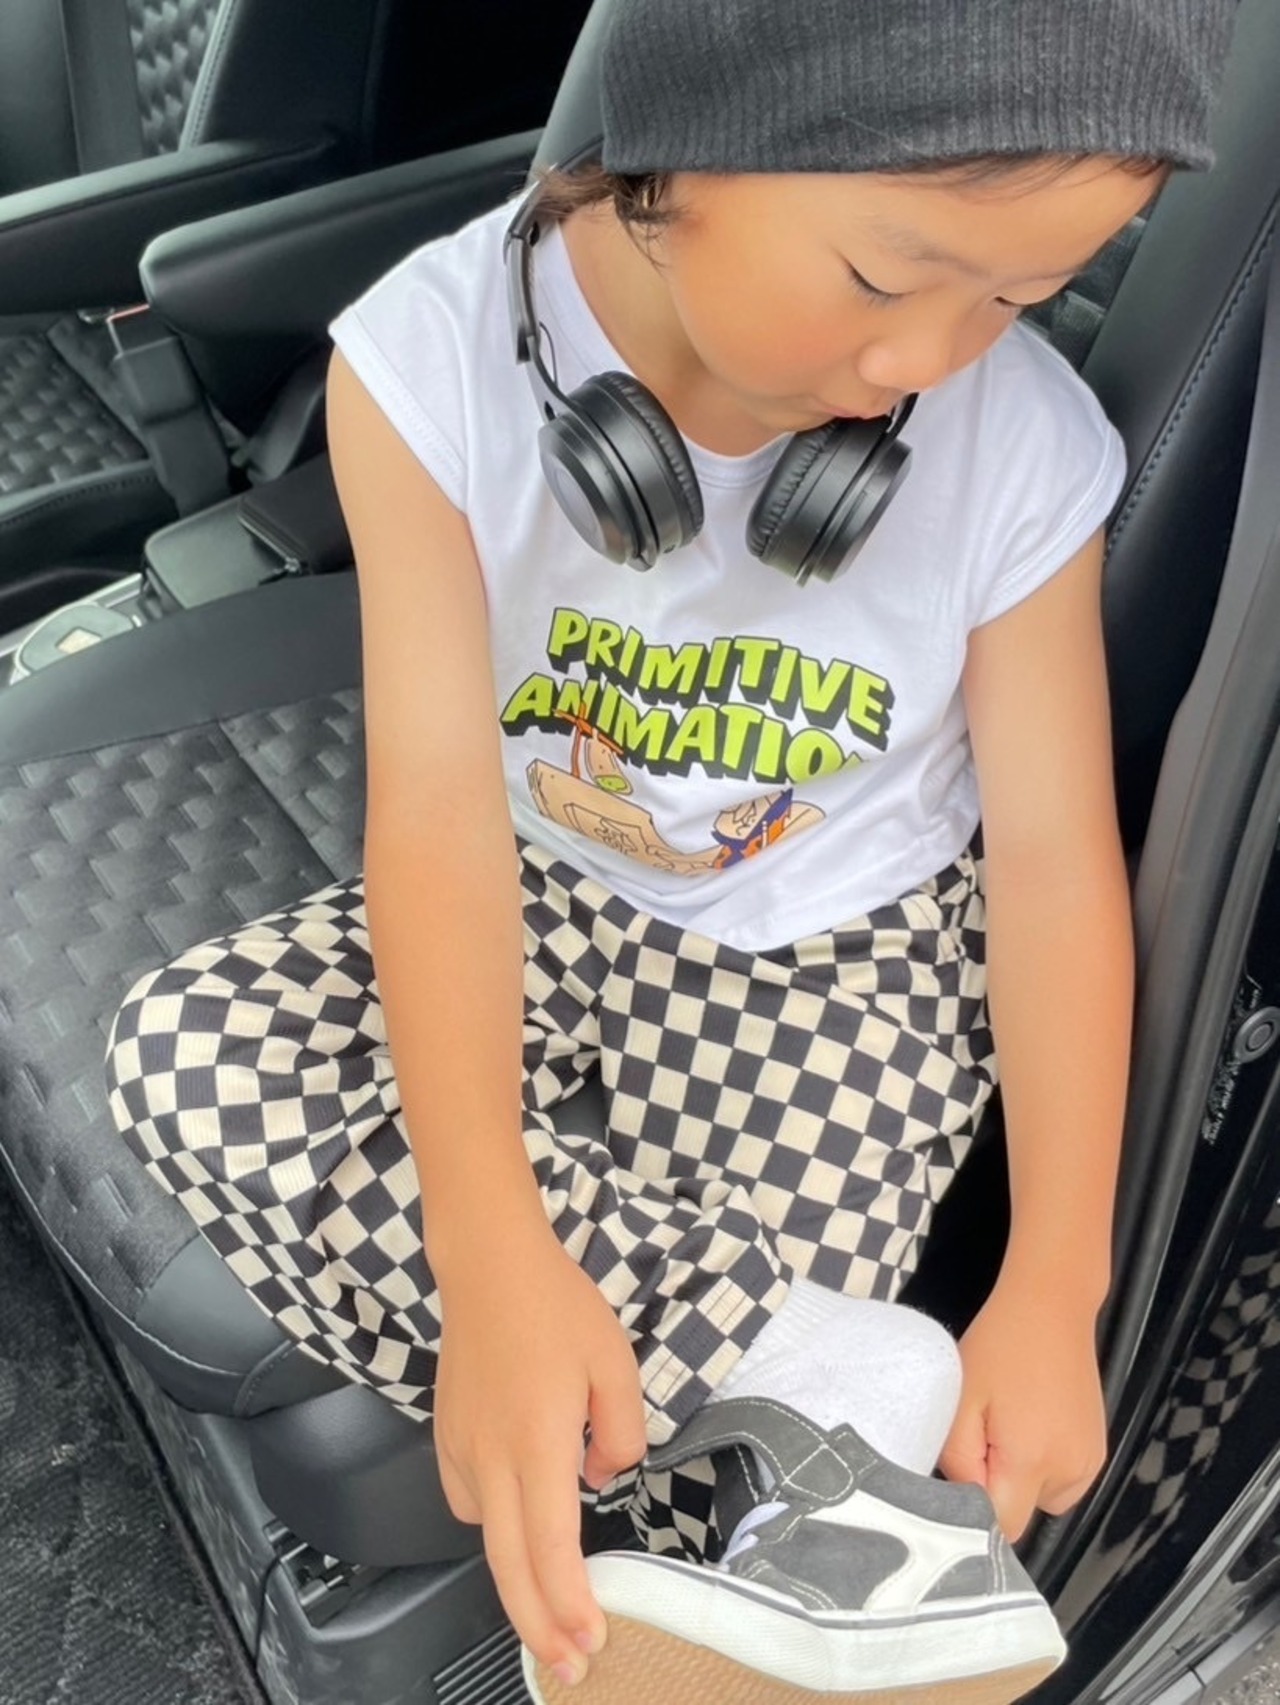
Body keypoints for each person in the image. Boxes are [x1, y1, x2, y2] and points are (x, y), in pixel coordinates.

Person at [104, 2, 1237, 1701]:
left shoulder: (1021, 447)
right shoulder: (422, 368)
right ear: (688, 137)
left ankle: (734, 1457)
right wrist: (488, 1249)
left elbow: (1057, 862)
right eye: (887, 277)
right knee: (183, 1045)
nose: (935, 359)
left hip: (843, 948)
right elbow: (434, 810)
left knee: (690, 1392)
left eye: (1016, 299)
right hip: (545, 885)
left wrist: (1054, 1283)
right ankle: (806, 1384)